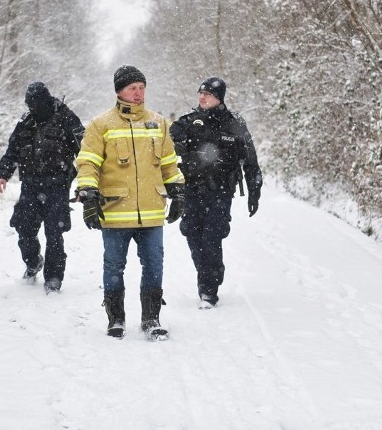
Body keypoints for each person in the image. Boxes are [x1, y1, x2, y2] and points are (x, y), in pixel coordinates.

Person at [75, 65, 185, 340]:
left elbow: (169, 163)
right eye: (132, 88)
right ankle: (116, 319)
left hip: (151, 211)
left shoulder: (158, 123)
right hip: (114, 210)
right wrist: (88, 193)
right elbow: (88, 162)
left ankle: (151, 319)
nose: (138, 93)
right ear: (119, 91)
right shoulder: (101, 125)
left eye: (141, 87)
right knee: (113, 266)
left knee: (154, 265)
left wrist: (178, 191)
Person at [169, 77, 262, 309]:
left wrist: (254, 190)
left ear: (219, 97)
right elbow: (164, 144)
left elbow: (250, 159)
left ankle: (208, 291)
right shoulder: (189, 121)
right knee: (191, 233)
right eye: (200, 93)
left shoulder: (235, 123)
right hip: (192, 188)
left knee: (212, 237)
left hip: (220, 191)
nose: (202, 97)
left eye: (208, 94)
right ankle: (211, 270)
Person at [0, 82, 84, 294]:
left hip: (58, 185)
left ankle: (53, 277)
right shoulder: (25, 122)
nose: (33, 108)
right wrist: (3, 174)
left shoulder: (65, 118)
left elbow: (86, 150)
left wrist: (85, 182)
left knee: (54, 232)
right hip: (31, 185)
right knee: (24, 228)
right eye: (30, 104)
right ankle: (33, 262)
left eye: (37, 103)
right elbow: (13, 149)